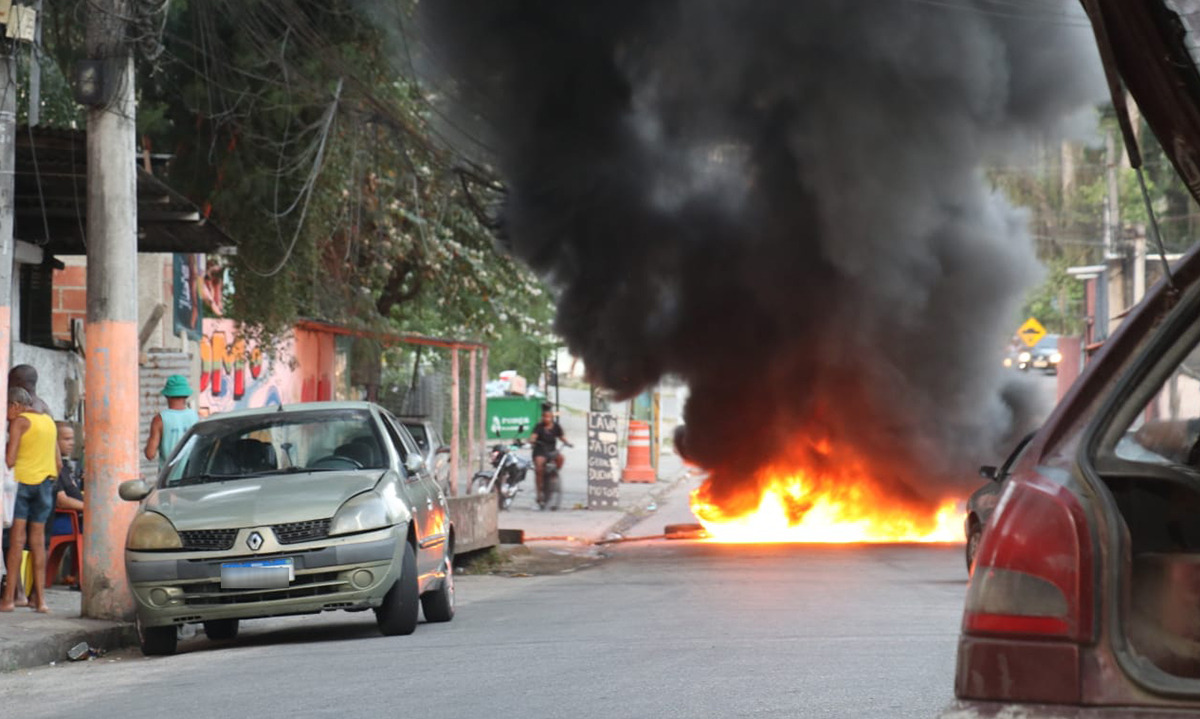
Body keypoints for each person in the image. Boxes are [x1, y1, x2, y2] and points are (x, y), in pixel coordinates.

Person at [0, 387, 60, 613]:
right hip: (45, 484)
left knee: (16, 541)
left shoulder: (20, 422)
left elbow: (11, 459)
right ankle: (41, 601)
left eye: (6, 409)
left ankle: (8, 600)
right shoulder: (48, 422)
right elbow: (59, 462)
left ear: (15, 405)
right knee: (37, 542)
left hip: (22, 485)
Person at [144, 375, 199, 468]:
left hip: (169, 479)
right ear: (186, 394)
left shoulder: (159, 419)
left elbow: (150, 454)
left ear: (167, 395)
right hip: (191, 477)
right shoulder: (195, 417)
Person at [527, 408, 571, 510]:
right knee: (539, 468)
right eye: (545, 417)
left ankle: (553, 475)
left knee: (560, 458)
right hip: (540, 450)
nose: (546, 419)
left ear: (552, 418)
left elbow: (561, 436)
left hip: (551, 450)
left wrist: (567, 442)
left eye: (549, 417)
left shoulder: (556, 427)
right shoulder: (539, 427)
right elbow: (533, 436)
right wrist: (532, 440)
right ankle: (539, 494)